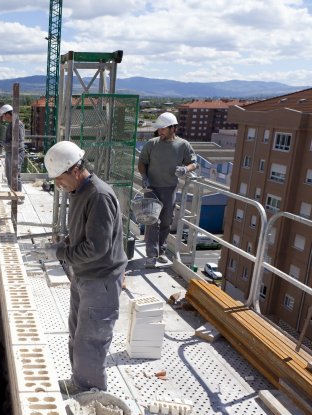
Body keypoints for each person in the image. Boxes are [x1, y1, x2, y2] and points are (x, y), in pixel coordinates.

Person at [39, 140, 128, 395]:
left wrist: (61, 253)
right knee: (77, 335)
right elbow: (81, 234)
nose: (57, 184)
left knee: (90, 343)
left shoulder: (98, 196)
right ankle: (80, 384)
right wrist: (63, 244)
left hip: (101, 281)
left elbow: (97, 248)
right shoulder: (79, 192)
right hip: (84, 276)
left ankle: (91, 396)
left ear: (75, 169)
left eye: (59, 177)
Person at [137, 112, 197, 268]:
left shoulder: (183, 145)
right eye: (159, 129)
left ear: (173, 128)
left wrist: (185, 169)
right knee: (152, 220)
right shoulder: (152, 144)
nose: (160, 132)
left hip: (169, 188)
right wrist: (144, 176)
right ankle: (151, 255)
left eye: (163, 129)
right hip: (151, 187)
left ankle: (161, 252)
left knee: (166, 221)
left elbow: (194, 163)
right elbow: (142, 162)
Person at [0, 104, 25, 191]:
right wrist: (3, 143)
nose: (3, 118)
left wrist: (3, 144)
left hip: (16, 153)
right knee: (9, 175)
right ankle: (13, 193)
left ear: (7, 114)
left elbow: (17, 141)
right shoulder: (11, 124)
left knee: (15, 175)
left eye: (3, 116)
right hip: (10, 152)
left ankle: (18, 197)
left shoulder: (17, 124)